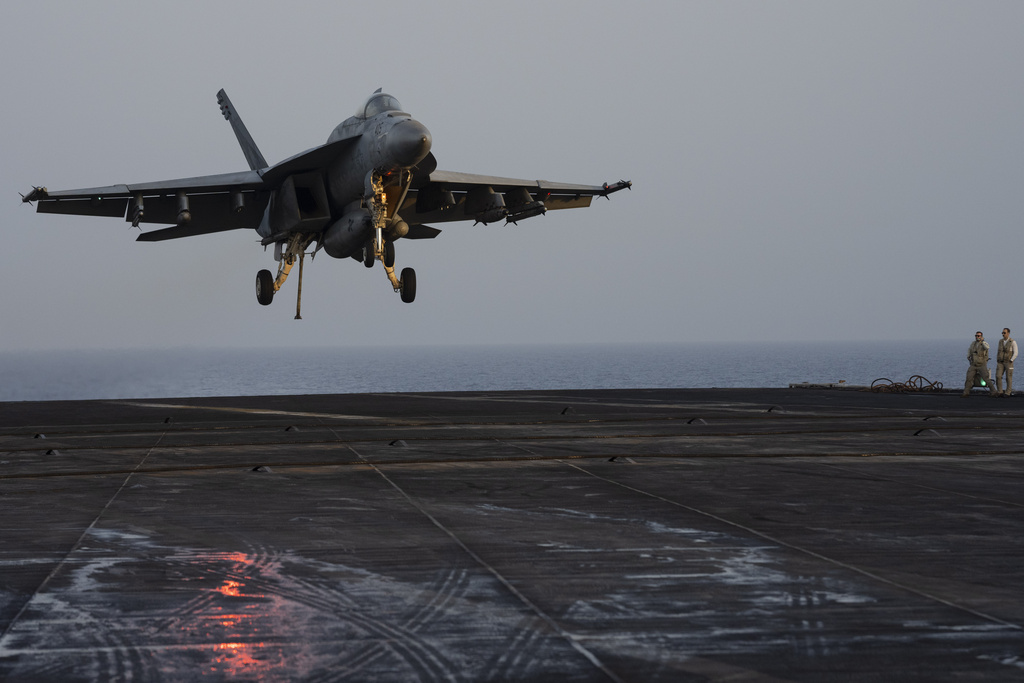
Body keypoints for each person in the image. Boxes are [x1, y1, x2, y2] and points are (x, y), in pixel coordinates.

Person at [963, 331, 997, 397]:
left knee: (986, 378)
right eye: (976, 336)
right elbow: (969, 350)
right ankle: (966, 393)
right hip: (973, 364)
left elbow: (987, 347)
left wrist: (982, 341)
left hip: (982, 364)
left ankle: (994, 391)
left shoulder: (984, 344)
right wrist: (968, 356)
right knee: (969, 378)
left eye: (978, 336)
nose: (977, 337)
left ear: (981, 336)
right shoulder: (973, 344)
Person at [995, 328, 1018, 397]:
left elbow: (1016, 352)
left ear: (1008, 333)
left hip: (1008, 362)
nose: (1003, 334)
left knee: (1008, 377)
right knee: (998, 376)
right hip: (1000, 362)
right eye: (1002, 333)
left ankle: (1008, 392)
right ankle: (1000, 391)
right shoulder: (1000, 341)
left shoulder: (1012, 342)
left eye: (1004, 333)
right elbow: (999, 351)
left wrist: (1011, 359)